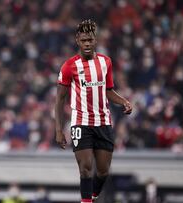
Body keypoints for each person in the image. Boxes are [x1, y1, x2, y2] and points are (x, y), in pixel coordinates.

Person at [55, 19, 132, 203]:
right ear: (77, 41)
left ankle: (93, 197)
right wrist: (58, 130)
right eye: (83, 40)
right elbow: (59, 99)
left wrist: (123, 102)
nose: (87, 44)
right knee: (86, 167)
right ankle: (87, 201)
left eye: (90, 40)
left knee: (103, 171)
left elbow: (107, 90)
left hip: (103, 121)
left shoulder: (106, 62)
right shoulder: (69, 66)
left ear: (95, 40)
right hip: (81, 121)